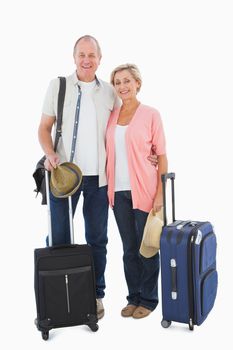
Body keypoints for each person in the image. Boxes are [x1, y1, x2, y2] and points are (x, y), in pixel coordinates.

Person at [38, 36, 157, 320]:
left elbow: (126, 129)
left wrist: (149, 154)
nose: (86, 59)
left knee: (97, 240)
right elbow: (43, 128)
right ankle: (59, 293)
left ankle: (94, 295)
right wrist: (50, 154)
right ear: (74, 57)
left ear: (100, 58)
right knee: (59, 237)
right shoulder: (58, 86)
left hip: (100, 181)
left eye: (92, 54)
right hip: (64, 178)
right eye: (82, 54)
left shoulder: (110, 93)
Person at [106, 63, 168, 319]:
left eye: (127, 81)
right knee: (129, 249)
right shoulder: (112, 115)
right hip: (117, 193)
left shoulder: (151, 114)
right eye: (118, 82)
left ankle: (149, 299)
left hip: (144, 191)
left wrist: (160, 194)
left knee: (148, 248)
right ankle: (133, 297)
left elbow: (162, 157)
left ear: (137, 83)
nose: (122, 86)